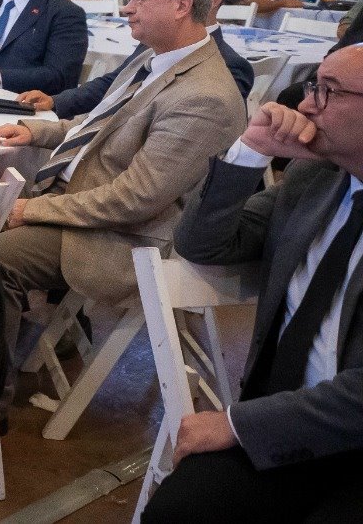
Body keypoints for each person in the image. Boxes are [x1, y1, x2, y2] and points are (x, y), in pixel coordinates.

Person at [0, 0, 246, 379]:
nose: (127, 7)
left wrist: (32, 210)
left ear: (181, 6)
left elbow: (136, 199)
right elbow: (101, 126)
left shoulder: (205, 96)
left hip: (125, 237)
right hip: (83, 197)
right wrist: (36, 131)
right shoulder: (154, 57)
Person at [142, 46, 363, 523]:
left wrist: (237, 424)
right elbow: (202, 244)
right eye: (313, 85)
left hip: (347, 435)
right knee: (180, 511)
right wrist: (250, 151)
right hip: (286, 424)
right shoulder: (316, 178)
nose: (306, 104)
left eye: (330, 91)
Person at [20, 0, 256, 114]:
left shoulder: (229, 66)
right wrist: (56, 101)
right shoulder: (155, 41)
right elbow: (116, 83)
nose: (126, 8)